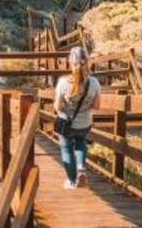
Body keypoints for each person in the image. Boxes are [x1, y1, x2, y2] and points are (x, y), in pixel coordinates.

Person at [53, 46, 100, 190]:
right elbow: (97, 106)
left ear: (70, 62)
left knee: (67, 149)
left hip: (67, 123)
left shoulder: (63, 82)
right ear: (87, 62)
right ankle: (81, 169)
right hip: (85, 123)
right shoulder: (94, 83)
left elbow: (57, 107)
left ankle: (72, 181)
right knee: (81, 143)